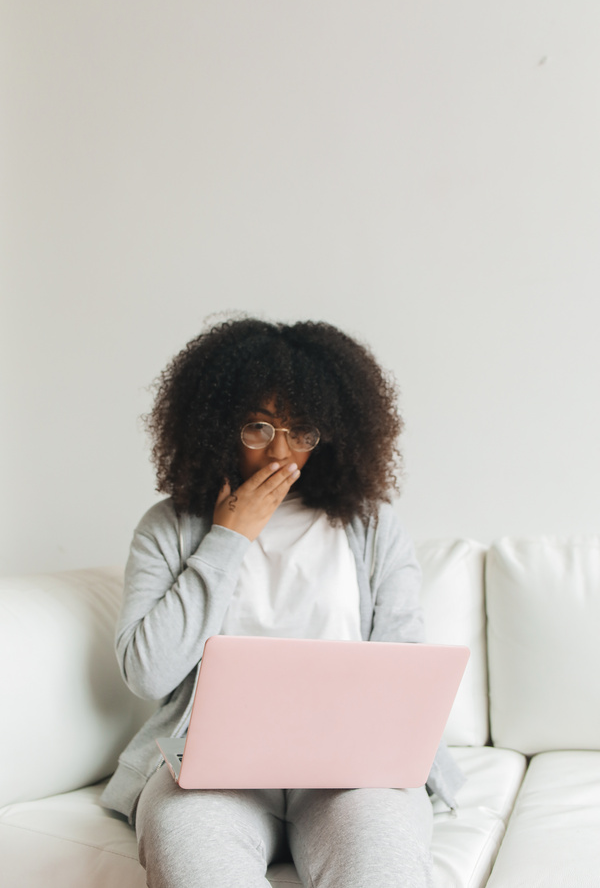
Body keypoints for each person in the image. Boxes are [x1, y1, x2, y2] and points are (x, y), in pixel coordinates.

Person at [101, 317, 464, 888]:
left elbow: (405, 667)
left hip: (352, 771)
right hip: (208, 771)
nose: (280, 451)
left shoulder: (373, 526)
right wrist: (227, 539)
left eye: (302, 431)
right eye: (257, 427)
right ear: (218, 425)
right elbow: (148, 674)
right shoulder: (168, 527)